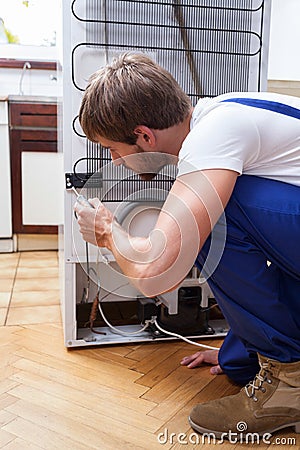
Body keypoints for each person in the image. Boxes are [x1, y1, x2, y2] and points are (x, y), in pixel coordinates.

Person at [74, 53, 300, 437]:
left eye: (112, 149)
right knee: (215, 206)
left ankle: (289, 387)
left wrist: (108, 232)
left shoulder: (211, 139)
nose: (113, 160)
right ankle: (266, 358)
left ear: (144, 136)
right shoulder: (221, 115)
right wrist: (244, 347)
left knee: (213, 218)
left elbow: (155, 271)